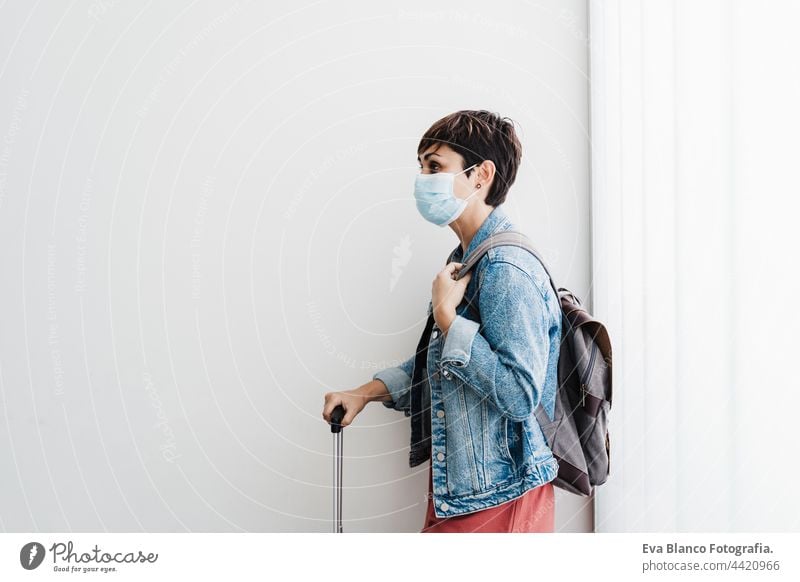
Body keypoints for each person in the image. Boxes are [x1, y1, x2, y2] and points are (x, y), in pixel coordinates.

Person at [322, 110, 561, 533]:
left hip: (502, 493)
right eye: (421, 167)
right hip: (465, 489)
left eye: (435, 166)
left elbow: (520, 396)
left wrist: (449, 320)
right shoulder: (465, 261)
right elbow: (442, 371)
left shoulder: (507, 268)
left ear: (481, 175)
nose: (423, 178)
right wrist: (364, 393)